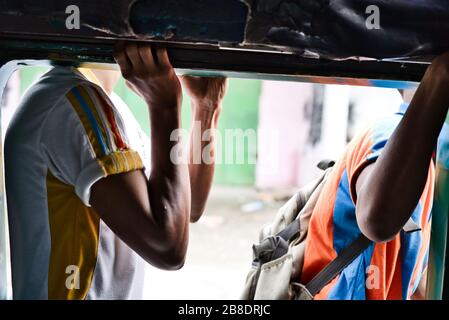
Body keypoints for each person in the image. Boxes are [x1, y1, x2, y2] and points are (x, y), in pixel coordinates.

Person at [5, 43, 227, 299]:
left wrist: (207, 107)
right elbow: (168, 248)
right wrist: (165, 106)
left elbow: (188, 207)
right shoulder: (73, 103)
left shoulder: (109, 105)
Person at [296, 52, 449, 300]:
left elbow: (412, 281)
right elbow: (377, 221)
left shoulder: (432, 157)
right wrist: (441, 75)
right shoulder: (389, 134)